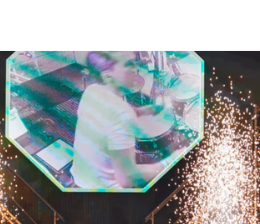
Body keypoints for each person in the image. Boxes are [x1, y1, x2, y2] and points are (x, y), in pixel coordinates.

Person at [71, 52, 179, 190]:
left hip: (79, 181)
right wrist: (170, 161)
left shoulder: (92, 91)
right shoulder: (122, 113)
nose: (135, 69)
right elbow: (128, 179)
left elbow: (108, 117)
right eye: (128, 64)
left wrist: (141, 111)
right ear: (107, 74)